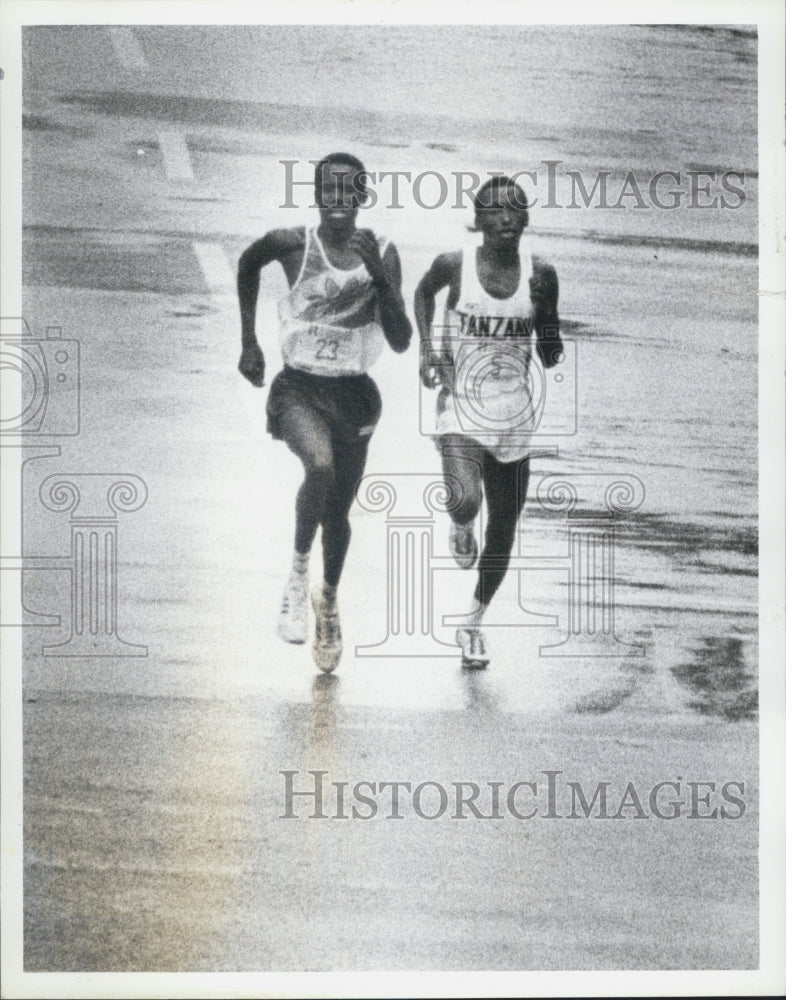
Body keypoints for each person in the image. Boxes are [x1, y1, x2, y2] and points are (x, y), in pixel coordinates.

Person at [238, 152, 411, 673]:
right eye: (328, 190)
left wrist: (381, 279)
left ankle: (328, 601)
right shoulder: (292, 244)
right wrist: (248, 341)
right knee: (318, 466)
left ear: (363, 197)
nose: (338, 199)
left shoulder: (382, 252)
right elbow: (248, 262)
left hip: (355, 395)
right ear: (316, 195)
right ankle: (295, 578)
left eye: (349, 190)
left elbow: (401, 341)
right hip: (299, 390)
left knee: (338, 514)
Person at [414, 175, 563, 669]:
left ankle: (473, 622)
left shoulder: (541, 272)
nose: (504, 218)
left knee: (503, 528)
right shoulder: (455, 264)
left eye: (514, 209)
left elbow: (552, 353)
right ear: (477, 221)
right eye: (494, 211)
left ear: (525, 220)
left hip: (514, 413)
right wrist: (429, 349)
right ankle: (459, 523)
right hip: (462, 403)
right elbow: (422, 293)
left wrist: (544, 310)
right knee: (465, 498)